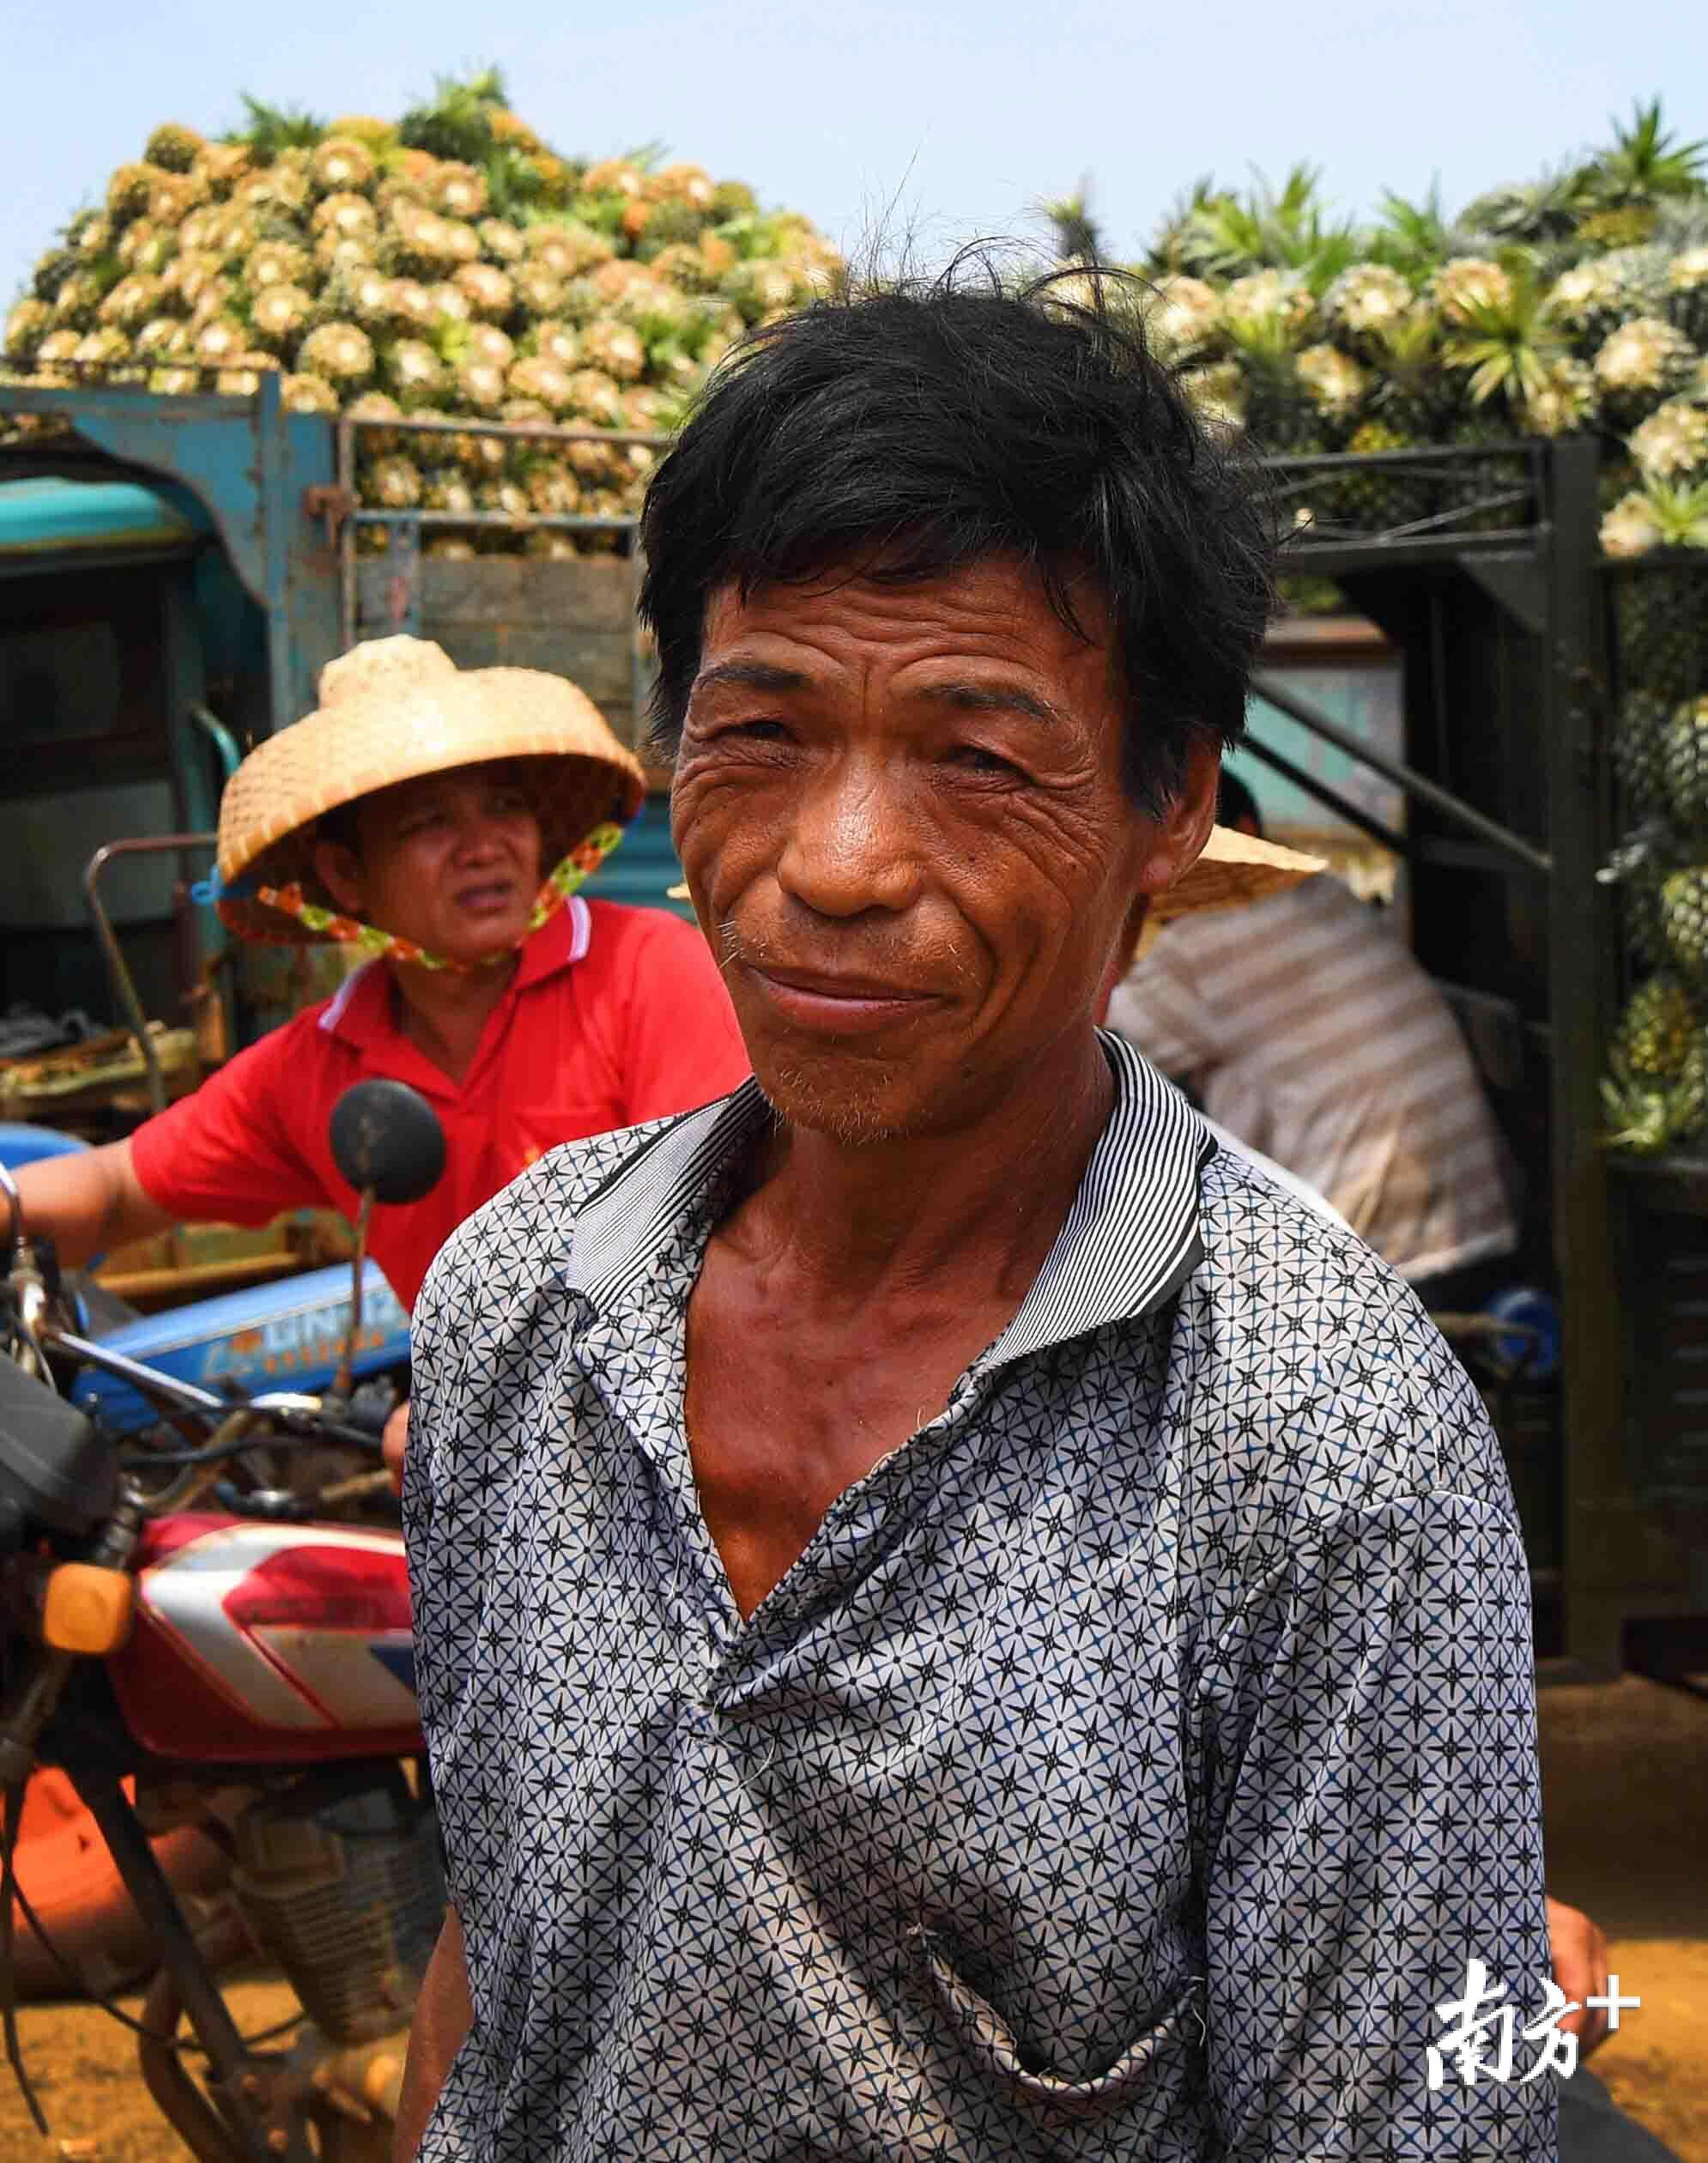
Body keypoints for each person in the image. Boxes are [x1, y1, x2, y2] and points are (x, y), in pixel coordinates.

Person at [395, 267, 1555, 2160]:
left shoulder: (1318, 1444)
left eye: (974, 754)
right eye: (759, 729)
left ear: (1165, 805)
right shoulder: (514, 1308)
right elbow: (505, 1963)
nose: (834, 868)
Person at [15, 636, 751, 1474]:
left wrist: (477, 1409)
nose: (483, 846)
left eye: (503, 806)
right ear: (345, 875)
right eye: (430, 822)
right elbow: (118, 1191)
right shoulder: (319, 1061)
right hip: (490, 1486)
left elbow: (707, 1257)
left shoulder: (649, 971)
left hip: (689, 1457)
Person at [1106, 768, 1517, 1301]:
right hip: (1482, 1226)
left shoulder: (1209, 946)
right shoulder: (1328, 893)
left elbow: (1084, 1043)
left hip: (1374, 1268)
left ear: (1244, 836)